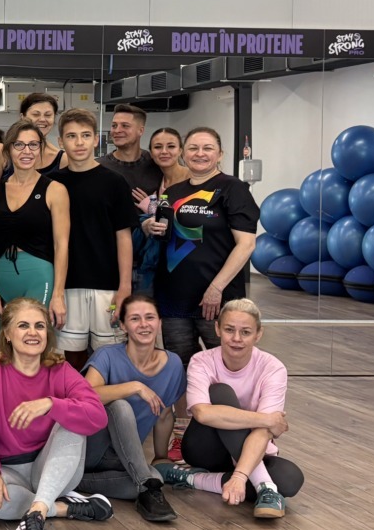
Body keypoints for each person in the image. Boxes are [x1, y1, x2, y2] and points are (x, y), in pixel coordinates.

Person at [0, 298, 113, 530]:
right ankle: (55, 508)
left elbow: (97, 415)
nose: (33, 332)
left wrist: (51, 404)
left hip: (54, 468)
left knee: (72, 420)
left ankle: (37, 513)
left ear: (47, 333)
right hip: (8, 469)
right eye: (23, 325)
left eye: (39, 326)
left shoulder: (60, 370)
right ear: (7, 334)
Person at [157, 299, 302, 519]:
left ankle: (192, 478)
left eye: (246, 332)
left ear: (258, 334)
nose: (236, 338)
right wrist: (266, 419)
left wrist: (240, 476)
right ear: (217, 329)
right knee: (220, 393)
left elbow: (263, 432)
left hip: (252, 449)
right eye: (229, 330)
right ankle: (266, 487)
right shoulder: (202, 361)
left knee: (290, 480)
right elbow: (202, 413)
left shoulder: (273, 368)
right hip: (206, 449)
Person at [150, 127, 259, 374]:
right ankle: (187, 403)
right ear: (183, 154)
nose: (200, 154)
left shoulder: (233, 189)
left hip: (215, 300)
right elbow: (167, 234)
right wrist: (150, 226)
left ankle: (225, 403)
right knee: (181, 368)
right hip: (174, 299)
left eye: (207, 148)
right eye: (193, 148)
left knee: (226, 368)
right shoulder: (173, 192)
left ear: (220, 154)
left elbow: (246, 244)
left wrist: (216, 288)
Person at [75, 294, 182, 522]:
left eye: (150, 317)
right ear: (123, 326)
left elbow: (164, 415)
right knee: (120, 406)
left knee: (156, 477)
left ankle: (75, 483)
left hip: (124, 459)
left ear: (159, 322)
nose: (144, 324)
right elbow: (84, 396)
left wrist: (161, 456)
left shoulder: (173, 364)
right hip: (90, 451)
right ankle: (146, 486)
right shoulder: (107, 355)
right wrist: (134, 387)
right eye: (135, 319)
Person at [46, 109, 137, 371]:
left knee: (109, 358)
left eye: (86, 135)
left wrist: (124, 287)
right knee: (68, 360)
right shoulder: (51, 184)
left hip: (106, 285)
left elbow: (124, 237)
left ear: (96, 139)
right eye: (71, 136)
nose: (79, 142)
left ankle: (105, 399)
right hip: (66, 285)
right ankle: (72, 398)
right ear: (61, 142)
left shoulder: (114, 182)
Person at [0, 118, 69, 361]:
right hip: (0, 277)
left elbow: (61, 245)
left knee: (30, 351)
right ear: (8, 150)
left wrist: (58, 295)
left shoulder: (55, 190)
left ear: (40, 149)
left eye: (33, 145)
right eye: (19, 145)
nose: (26, 151)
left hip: (39, 276)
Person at [98, 104, 162, 296]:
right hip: (110, 261)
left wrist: (153, 209)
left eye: (125, 126)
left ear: (141, 130)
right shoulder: (99, 167)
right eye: (114, 125)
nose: (117, 130)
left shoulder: (158, 165)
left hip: (150, 264)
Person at [131, 127, 190, 294]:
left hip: (185, 264)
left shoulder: (193, 178)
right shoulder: (157, 181)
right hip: (156, 266)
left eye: (171, 146)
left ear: (180, 150)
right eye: (158, 147)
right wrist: (149, 215)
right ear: (151, 152)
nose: (164, 151)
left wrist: (155, 211)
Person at [0, 92, 62, 179]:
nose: (42, 119)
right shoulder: (1, 152)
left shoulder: (61, 158)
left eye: (48, 115)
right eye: (36, 114)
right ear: (22, 117)